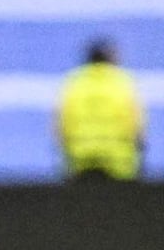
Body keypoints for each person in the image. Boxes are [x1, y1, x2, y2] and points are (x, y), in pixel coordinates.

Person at [59, 38, 144, 179]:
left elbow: (61, 127)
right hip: (119, 165)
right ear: (111, 59)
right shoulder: (123, 83)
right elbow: (137, 127)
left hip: (80, 163)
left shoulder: (74, 84)